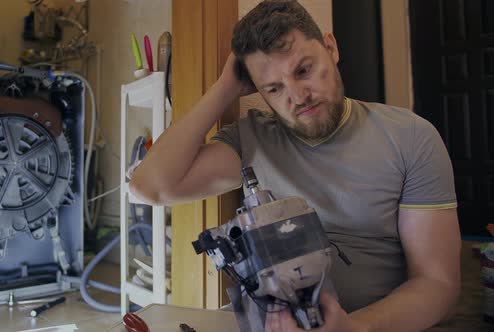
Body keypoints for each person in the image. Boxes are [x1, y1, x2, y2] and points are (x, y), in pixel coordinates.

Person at [130, 1, 461, 331]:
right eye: (273, 88)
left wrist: (355, 328)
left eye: (304, 70)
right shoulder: (251, 141)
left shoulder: (410, 137)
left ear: (331, 48)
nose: (298, 96)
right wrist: (222, 90)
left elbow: (438, 285)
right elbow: (150, 187)